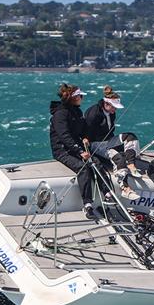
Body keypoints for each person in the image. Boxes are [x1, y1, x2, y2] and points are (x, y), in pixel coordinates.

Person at [83, 85, 141, 198]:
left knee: (131, 137)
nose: (115, 109)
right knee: (117, 157)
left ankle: (131, 164)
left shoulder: (111, 112)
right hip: (95, 143)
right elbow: (86, 132)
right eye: (114, 107)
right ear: (106, 104)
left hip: (108, 140)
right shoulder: (94, 113)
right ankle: (124, 187)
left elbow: (111, 130)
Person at [49, 83, 97, 220]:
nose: (82, 98)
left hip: (76, 148)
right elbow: (64, 136)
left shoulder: (77, 111)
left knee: (96, 163)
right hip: (62, 150)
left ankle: (107, 194)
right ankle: (87, 203)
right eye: (80, 96)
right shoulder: (60, 114)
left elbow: (81, 130)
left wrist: (86, 137)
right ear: (74, 98)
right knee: (83, 168)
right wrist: (79, 151)